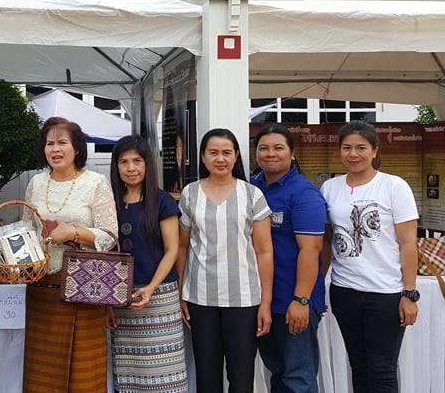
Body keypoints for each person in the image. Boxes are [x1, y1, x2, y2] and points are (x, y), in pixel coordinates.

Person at [320, 121, 419, 393]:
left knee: (382, 369)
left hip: (385, 293)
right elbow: (326, 240)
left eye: (361, 148)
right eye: (347, 148)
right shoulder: (329, 188)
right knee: (358, 365)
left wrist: (409, 293)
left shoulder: (394, 186)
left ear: (374, 151)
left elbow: (408, 244)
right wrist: (318, 283)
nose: (353, 154)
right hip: (344, 290)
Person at [23, 117, 119, 392]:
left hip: (84, 288)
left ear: (77, 148)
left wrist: (73, 233)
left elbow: (110, 236)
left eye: (62, 142)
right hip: (42, 288)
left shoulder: (95, 182)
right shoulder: (35, 183)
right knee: (41, 377)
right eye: (49, 143)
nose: (55, 149)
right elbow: (28, 230)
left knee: (84, 376)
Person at [176, 128, 273, 393]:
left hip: (243, 298)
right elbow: (182, 247)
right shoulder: (190, 193)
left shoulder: (252, 194)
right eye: (213, 153)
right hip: (200, 297)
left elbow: (264, 251)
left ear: (236, 156)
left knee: (241, 377)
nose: (220, 159)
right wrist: (182, 293)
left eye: (226, 153)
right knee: (207, 376)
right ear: (203, 157)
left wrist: (265, 303)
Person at [250, 124, 327, 393]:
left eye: (278, 148)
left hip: (293, 299)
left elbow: (311, 250)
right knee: (278, 371)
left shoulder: (304, 194)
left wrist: (301, 300)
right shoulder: (253, 187)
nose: (270, 154)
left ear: (292, 153)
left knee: (298, 377)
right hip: (262, 299)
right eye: (264, 148)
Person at [109, 135, 188, 393]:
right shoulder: (110, 202)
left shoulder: (162, 200)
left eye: (137, 161)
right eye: (124, 162)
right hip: (122, 298)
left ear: (147, 164)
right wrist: (109, 301)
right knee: (128, 375)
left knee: (165, 376)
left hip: (160, 296)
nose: (130, 168)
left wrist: (151, 288)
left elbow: (172, 250)